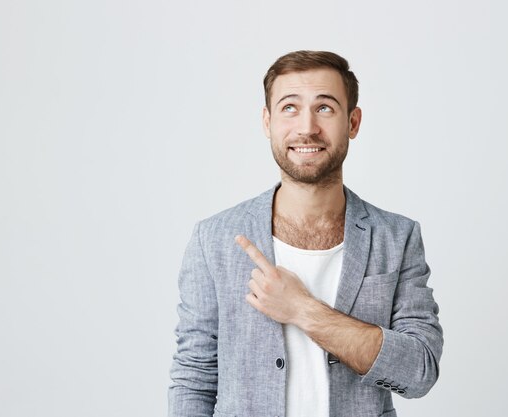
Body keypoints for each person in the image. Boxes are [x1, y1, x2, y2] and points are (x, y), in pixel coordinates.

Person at [167, 50, 443, 417]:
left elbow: (419, 370)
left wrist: (302, 309)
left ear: (353, 122)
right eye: (290, 108)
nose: (307, 127)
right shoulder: (213, 239)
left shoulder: (397, 237)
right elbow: (194, 378)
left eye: (325, 108)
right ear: (267, 122)